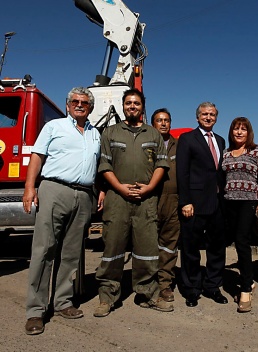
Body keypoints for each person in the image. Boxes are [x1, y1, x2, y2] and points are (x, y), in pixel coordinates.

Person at [23, 87, 103, 335]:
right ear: (68, 105)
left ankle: (62, 302)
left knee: (70, 254)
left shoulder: (95, 134)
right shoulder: (54, 127)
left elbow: (97, 164)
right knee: (44, 250)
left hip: (84, 195)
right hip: (54, 189)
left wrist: (99, 190)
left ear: (90, 107)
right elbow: (37, 156)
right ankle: (36, 310)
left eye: (85, 102)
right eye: (75, 101)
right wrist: (29, 187)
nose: (80, 105)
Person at [94, 88, 172, 317]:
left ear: (142, 106)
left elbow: (161, 165)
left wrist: (149, 188)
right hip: (117, 198)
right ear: (123, 105)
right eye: (128, 103)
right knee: (113, 248)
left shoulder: (153, 134)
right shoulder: (110, 133)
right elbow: (104, 165)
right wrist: (119, 188)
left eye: (136, 103)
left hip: (146, 199)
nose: (132, 107)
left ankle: (147, 294)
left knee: (147, 250)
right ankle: (107, 297)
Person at [176, 102, 228, 308]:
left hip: (217, 203)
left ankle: (213, 286)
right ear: (197, 118)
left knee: (217, 248)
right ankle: (192, 289)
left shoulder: (221, 140)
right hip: (194, 204)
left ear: (216, 117)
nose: (208, 117)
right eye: (205, 114)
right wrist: (185, 201)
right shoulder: (188, 139)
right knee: (190, 249)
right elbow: (182, 172)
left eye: (212, 114)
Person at [222, 117, 258, 313]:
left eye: (243, 129)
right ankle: (248, 278)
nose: (239, 132)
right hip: (228, 201)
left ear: (249, 132)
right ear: (231, 132)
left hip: (248, 201)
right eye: (236, 129)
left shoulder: (256, 151)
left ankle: (246, 289)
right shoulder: (225, 153)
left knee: (242, 241)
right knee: (231, 240)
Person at [151, 108, 180, 302]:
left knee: (169, 244)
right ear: (153, 123)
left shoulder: (180, 145)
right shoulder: (145, 144)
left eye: (167, 120)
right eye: (159, 120)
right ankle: (148, 281)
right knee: (148, 243)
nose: (163, 123)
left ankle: (165, 283)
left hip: (173, 200)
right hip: (150, 198)